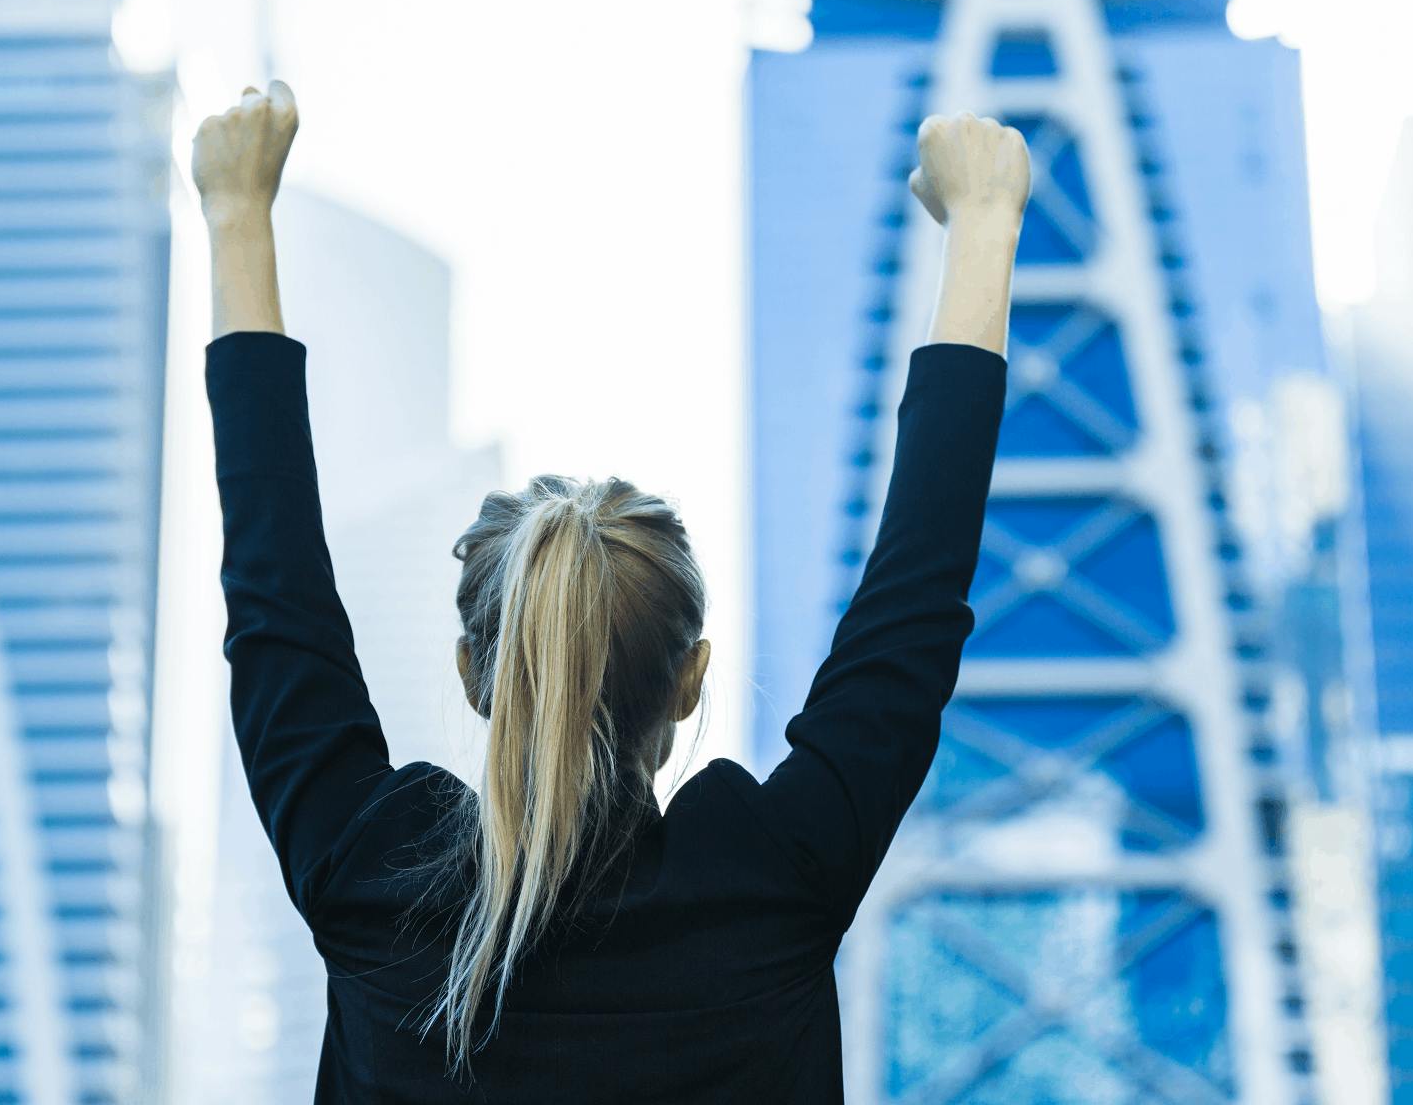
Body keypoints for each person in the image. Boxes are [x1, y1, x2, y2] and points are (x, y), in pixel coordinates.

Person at [195, 81, 1028, 1103]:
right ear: (691, 682)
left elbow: (272, 596)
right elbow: (916, 599)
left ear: (473, 673)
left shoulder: (376, 885)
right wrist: (985, 222)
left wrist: (235, 214)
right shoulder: (771, 885)